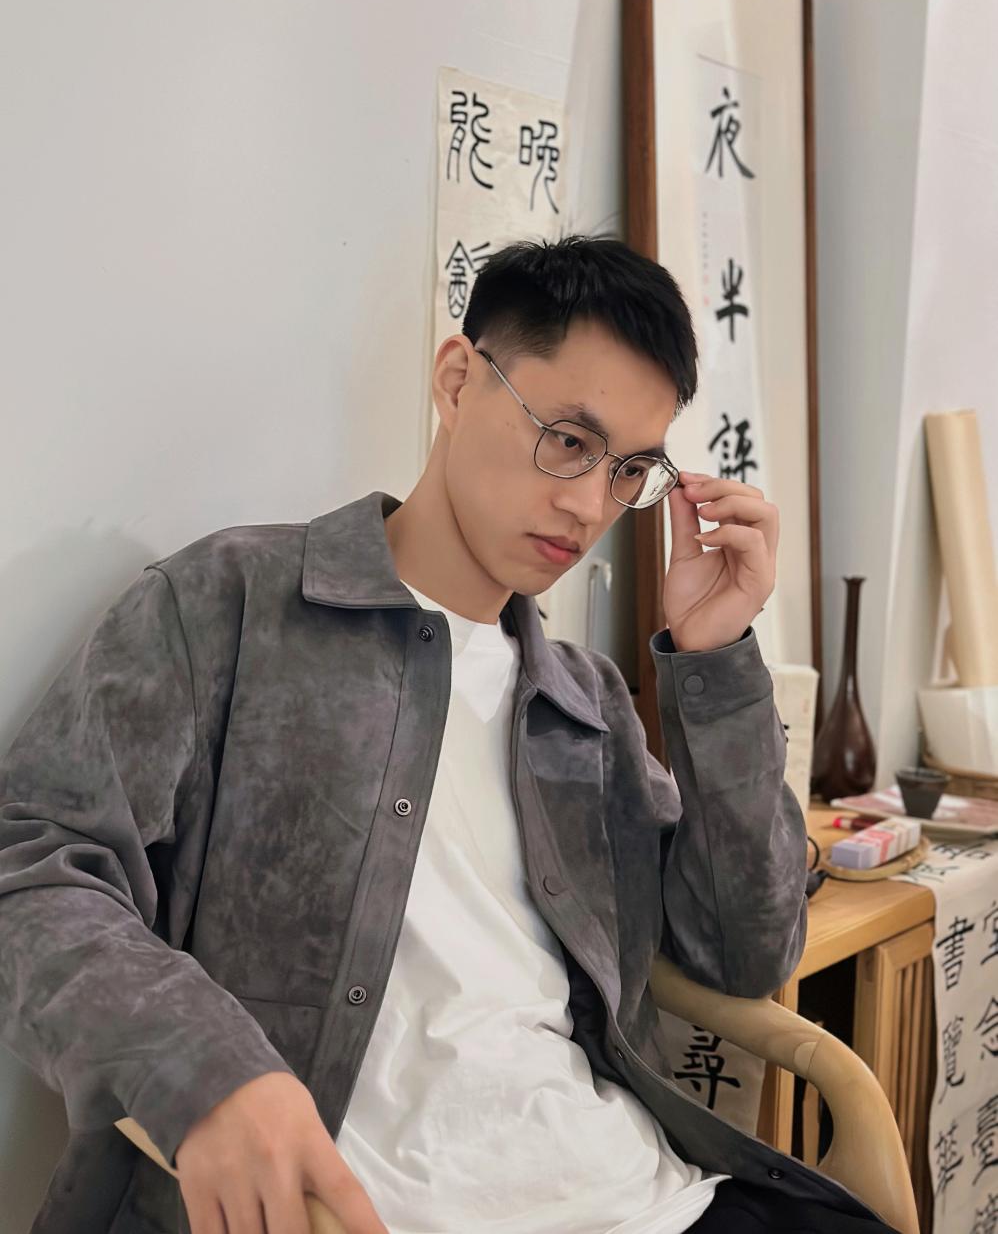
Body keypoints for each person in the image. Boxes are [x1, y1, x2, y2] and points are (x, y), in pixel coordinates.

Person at [0, 236, 896, 1233]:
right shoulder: (230, 605)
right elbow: (31, 867)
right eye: (568, 439)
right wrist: (202, 1066)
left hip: (647, 1198)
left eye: (629, 471)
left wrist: (715, 656)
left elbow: (742, 952)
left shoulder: (585, 704)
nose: (588, 505)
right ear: (458, 379)